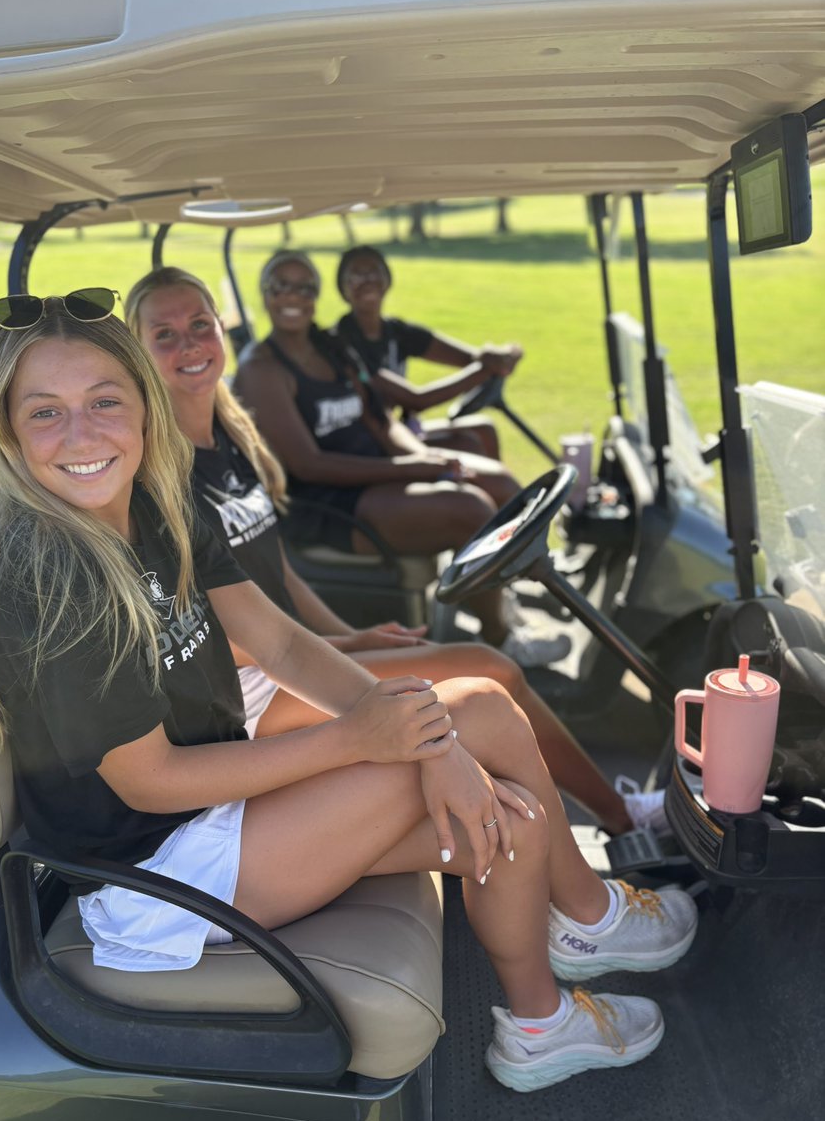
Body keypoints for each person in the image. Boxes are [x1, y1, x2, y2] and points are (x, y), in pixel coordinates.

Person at [0, 288, 698, 1093]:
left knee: (509, 812)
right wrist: (362, 738)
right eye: (45, 412)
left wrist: (421, 736)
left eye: (104, 401)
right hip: (152, 875)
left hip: (213, 813)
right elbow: (152, 781)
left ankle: (541, 1024)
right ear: (9, 432)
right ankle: (585, 933)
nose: (81, 434)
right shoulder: (48, 581)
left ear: (143, 404)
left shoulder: (156, 506)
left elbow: (278, 641)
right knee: (479, 726)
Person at [126, 265, 666, 838]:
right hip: (246, 690)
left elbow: (278, 572)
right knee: (492, 670)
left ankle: (585, 825)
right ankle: (624, 819)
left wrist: (353, 637)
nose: (189, 344)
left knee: (478, 673)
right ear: (136, 351)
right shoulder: (158, 474)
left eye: (200, 324)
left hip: (296, 660)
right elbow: (212, 634)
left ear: (220, 329)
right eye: (165, 334)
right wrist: (343, 648)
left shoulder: (232, 437)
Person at [233, 249, 568, 669]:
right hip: (328, 503)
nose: (292, 296)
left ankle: (498, 599)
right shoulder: (262, 369)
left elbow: (379, 419)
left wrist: (425, 456)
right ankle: (500, 640)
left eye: (304, 287)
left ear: (317, 296)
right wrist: (414, 469)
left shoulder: (331, 347)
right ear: (265, 293)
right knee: (471, 510)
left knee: (502, 485)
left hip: (375, 476)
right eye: (280, 286)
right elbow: (309, 465)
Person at [335, 243, 521, 458]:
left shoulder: (397, 331)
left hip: (400, 427)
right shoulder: (342, 341)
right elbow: (417, 400)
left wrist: (503, 356)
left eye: (374, 272)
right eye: (357, 274)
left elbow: (471, 357)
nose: (368, 280)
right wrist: (485, 370)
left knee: (484, 430)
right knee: (468, 446)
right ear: (343, 288)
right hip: (371, 438)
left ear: (387, 280)